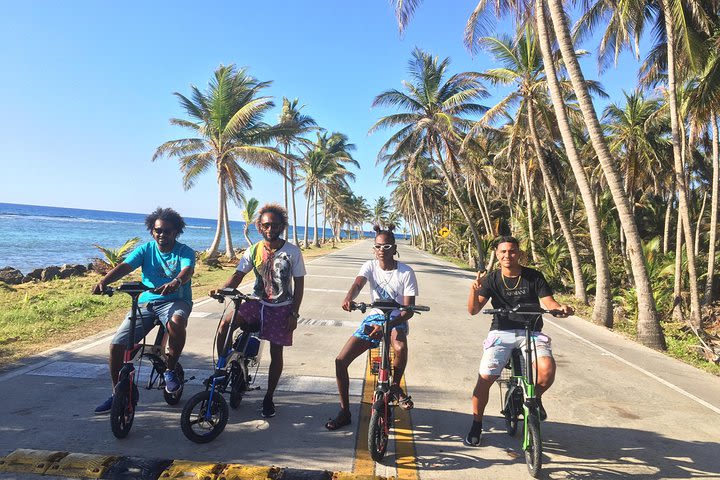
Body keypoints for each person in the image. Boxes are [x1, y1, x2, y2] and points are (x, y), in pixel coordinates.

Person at [464, 235, 574, 446]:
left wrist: (560, 309)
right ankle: (476, 424)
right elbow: (473, 310)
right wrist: (473, 291)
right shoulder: (492, 279)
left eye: (512, 251)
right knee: (485, 377)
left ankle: (532, 399)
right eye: (503, 251)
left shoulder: (534, 276)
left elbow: (549, 302)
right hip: (501, 332)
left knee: (547, 372)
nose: (508, 255)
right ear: (497, 254)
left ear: (519, 253)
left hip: (531, 331)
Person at [92, 207, 195, 414]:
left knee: (176, 323)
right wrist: (104, 281)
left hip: (175, 300)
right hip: (147, 302)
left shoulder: (185, 252)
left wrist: (176, 282)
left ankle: (170, 371)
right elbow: (125, 266)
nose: (162, 235)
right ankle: (116, 394)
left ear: (176, 232)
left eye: (167, 231)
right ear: (152, 231)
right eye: (158, 230)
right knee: (116, 346)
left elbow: (187, 270)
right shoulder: (145, 249)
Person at [214, 203, 305, 418]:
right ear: (259, 227)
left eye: (274, 225)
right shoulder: (253, 250)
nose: (270, 229)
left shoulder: (292, 251)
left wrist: (294, 313)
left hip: (281, 309)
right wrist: (223, 290)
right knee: (225, 324)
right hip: (257, 304)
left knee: (276, 352)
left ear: (282, 226)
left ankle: (269, 397)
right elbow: (238, 275)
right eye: (265, 225)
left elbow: (299, 285)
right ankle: (222, 368)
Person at [326, 224, 419, 430]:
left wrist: (388, 324)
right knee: (341, 360)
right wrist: (349, 298)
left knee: (400, 348)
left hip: (396, 320)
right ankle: (344, 411)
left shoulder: (406, 272)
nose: (381, 251)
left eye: (386, 247)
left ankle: (395, 386)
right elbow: (358, 284)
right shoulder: (369, 266)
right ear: (373, 249)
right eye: (378, 247)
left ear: (395, 249)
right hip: (373, 319)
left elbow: (408, 310)